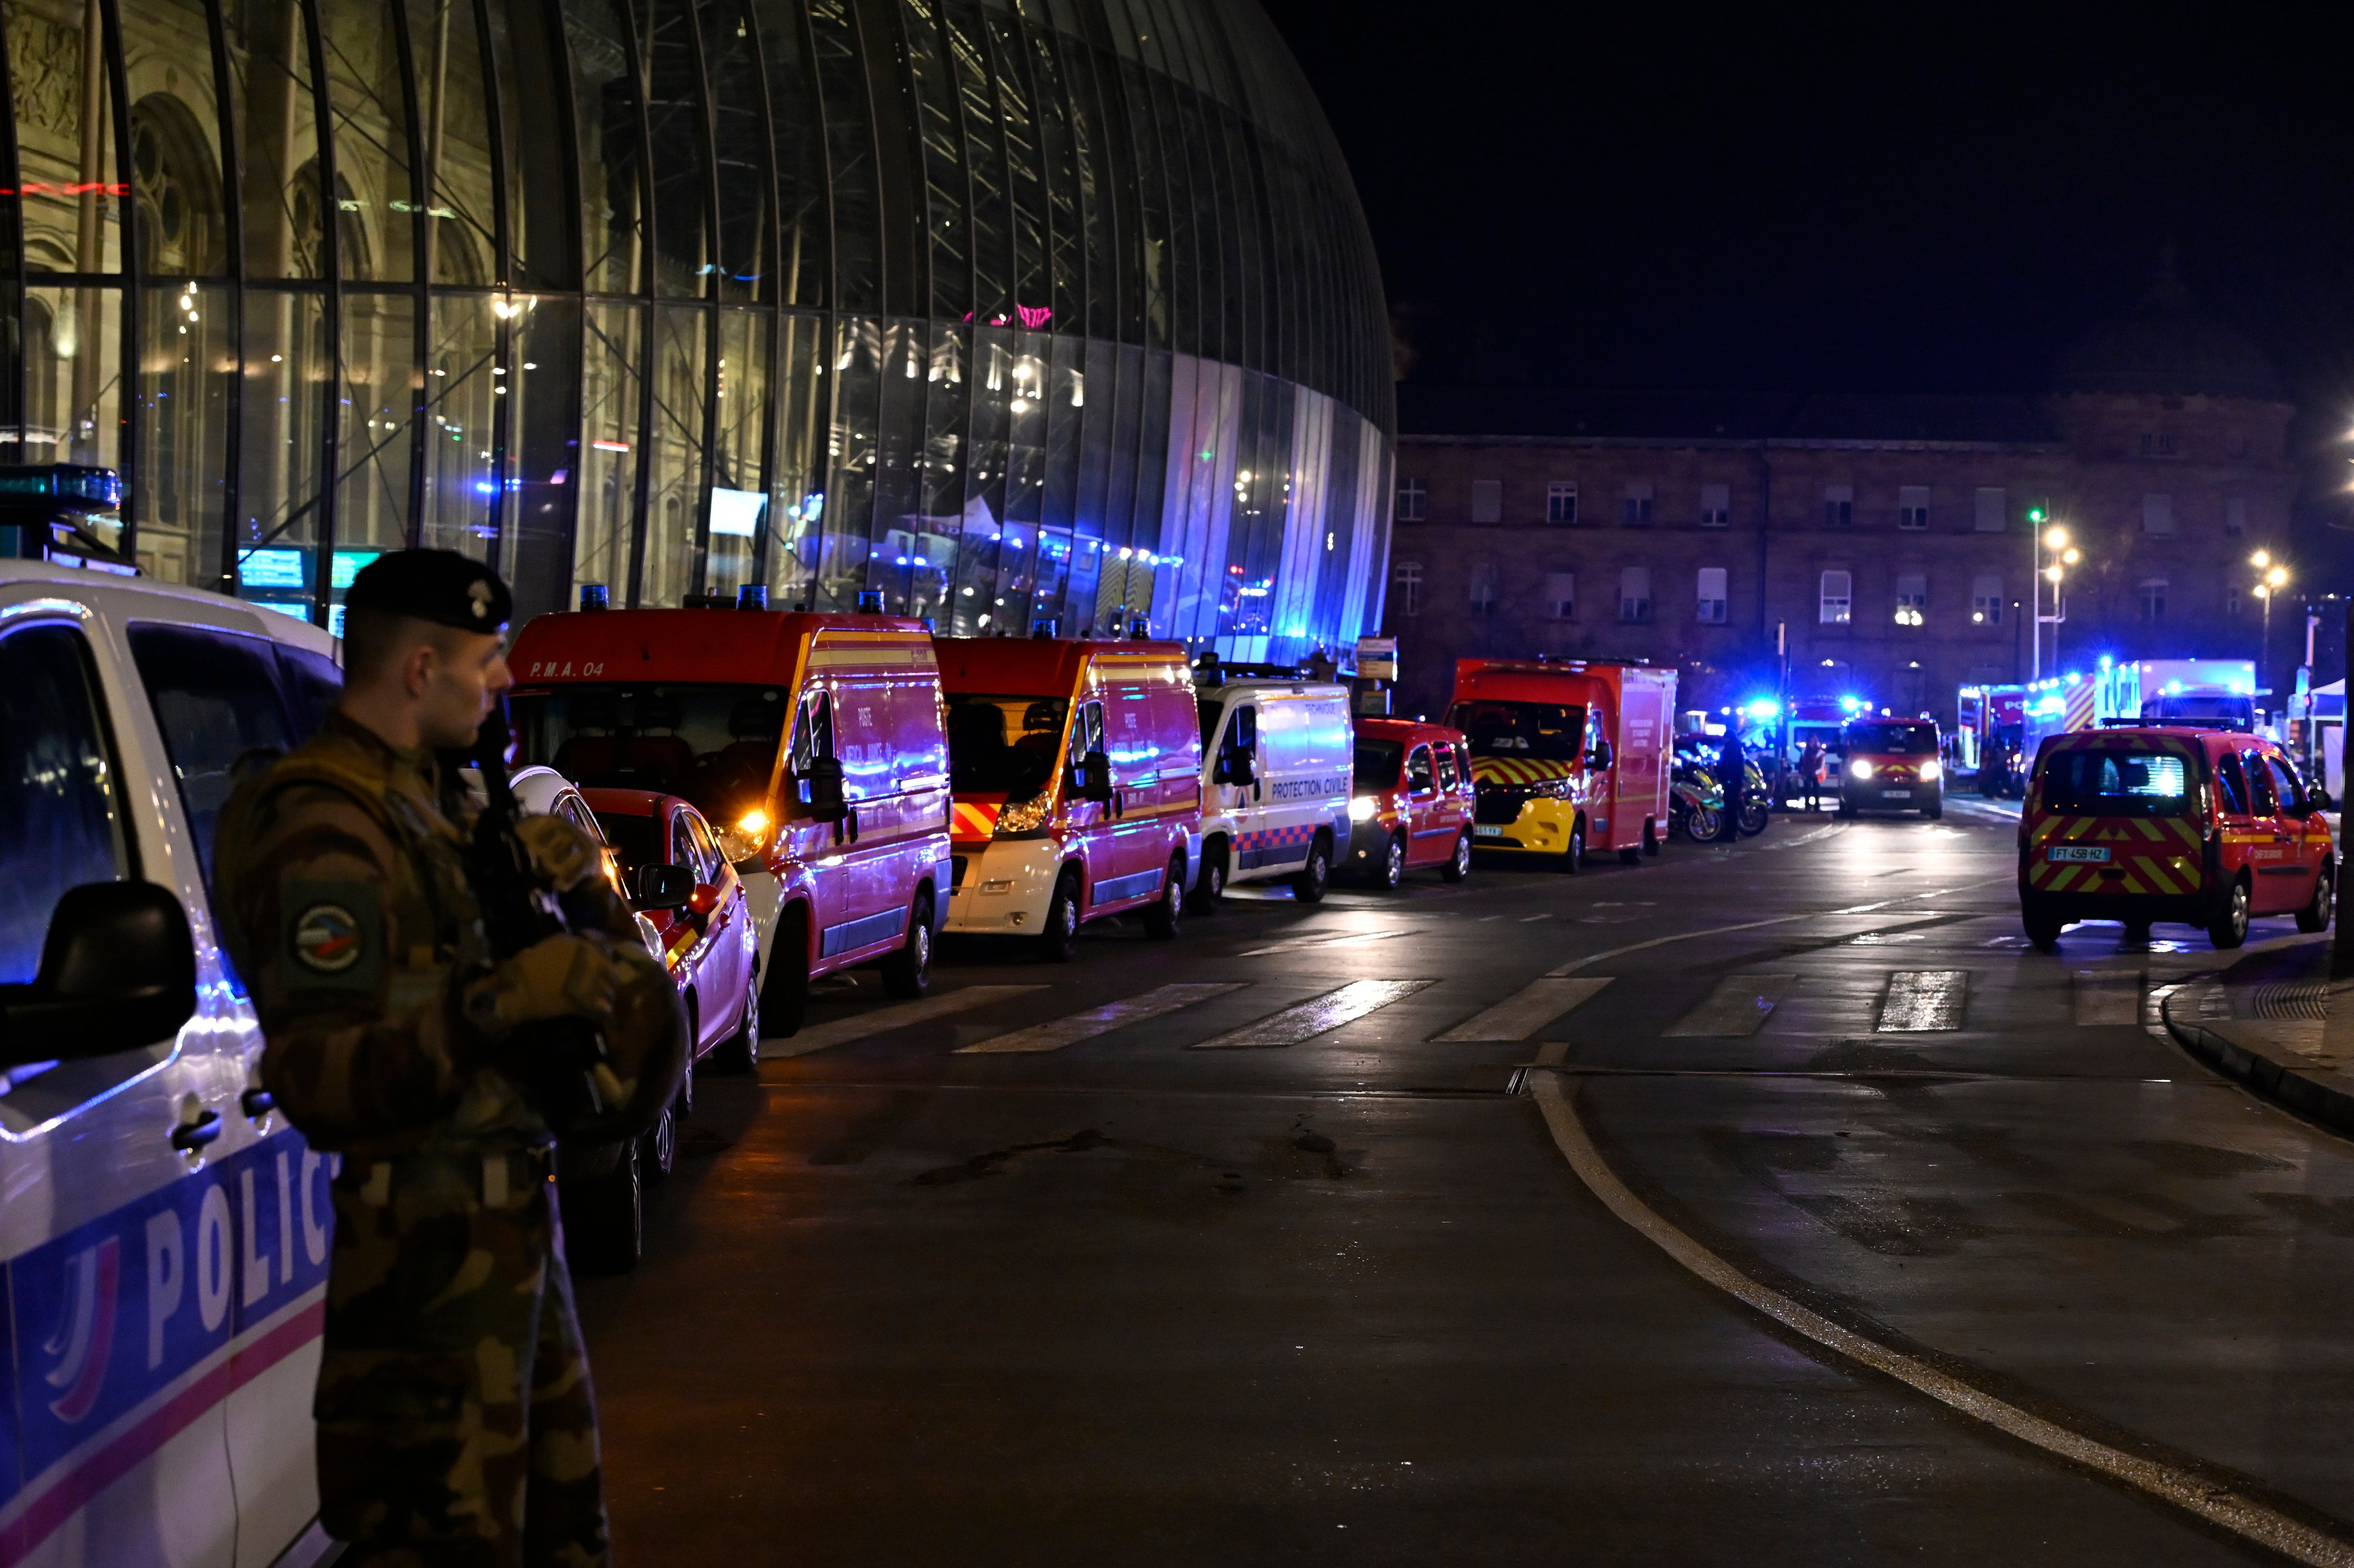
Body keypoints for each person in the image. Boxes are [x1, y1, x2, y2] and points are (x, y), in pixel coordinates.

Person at [213, 550, 683, 1567]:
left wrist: (590, 905)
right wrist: (502, 1001)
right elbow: (320, 1083)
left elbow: (638, 1046)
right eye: (488, 656)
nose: (505, 679)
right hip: (419, 1283)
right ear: (419, 669)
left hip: (514, 1249)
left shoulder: (456, 814)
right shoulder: (325, 829)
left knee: (562, 1536)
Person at [1717, 729, 1746, 840]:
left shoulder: (1731, 748)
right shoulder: (1737, 747)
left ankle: (1730, 835)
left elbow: (1727, 764)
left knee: (1730, 809)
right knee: (1732, 809)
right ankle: (1731, 833)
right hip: (1735, 782)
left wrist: (1719, 769)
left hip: (1731, 782)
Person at [1799, 737, 1825, 811]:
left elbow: (1821, 764)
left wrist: (1815, 773)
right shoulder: (1804, 751)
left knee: (1816, 792)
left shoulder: (1819, 751)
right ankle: (1808, 807)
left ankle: (1817, 807)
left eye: (1812, 741)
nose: (1811, 742)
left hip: (1816, 774)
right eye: (1810, 741)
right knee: (1807, 791)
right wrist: (1802, 773)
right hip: (1807, 774)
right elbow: (1801, 762)